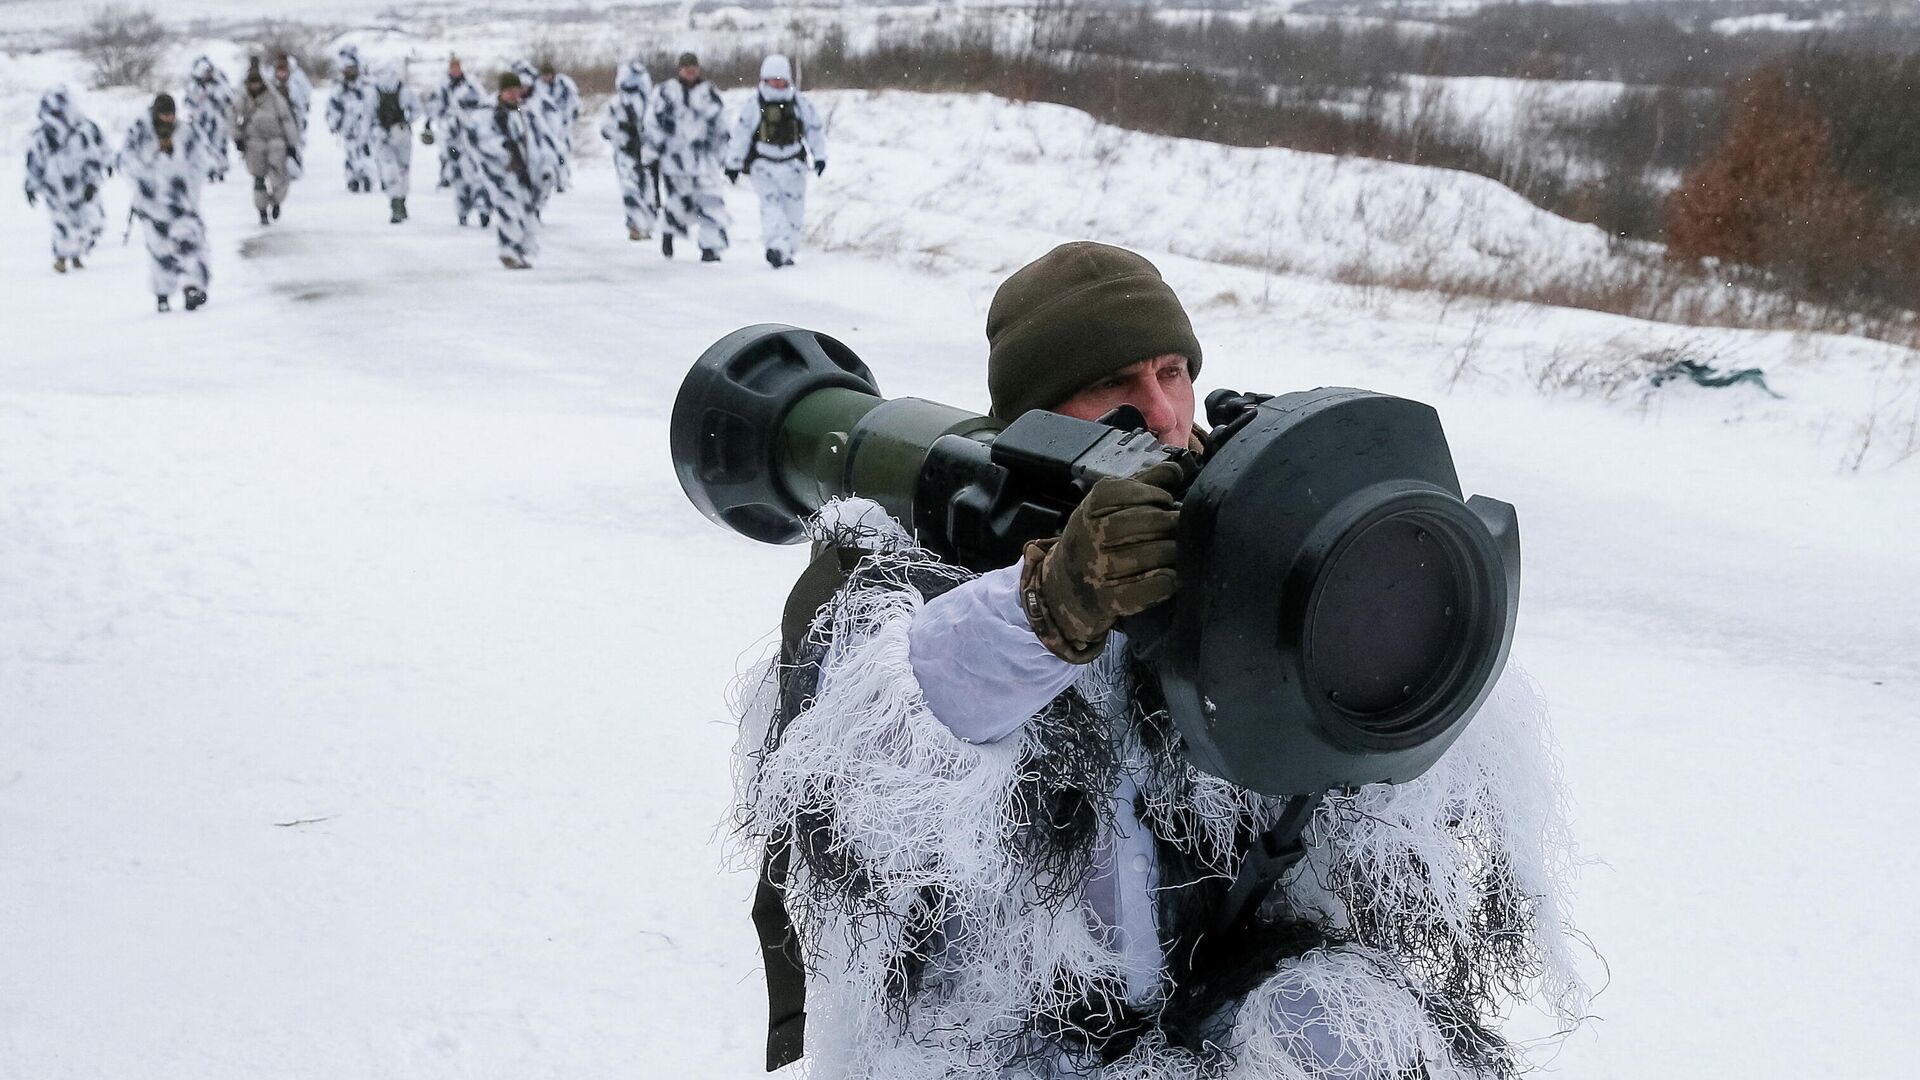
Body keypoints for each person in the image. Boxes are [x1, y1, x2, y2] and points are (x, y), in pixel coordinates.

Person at [731, 242, 1588, 1078]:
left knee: (1345, 1031)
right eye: (1112, 384)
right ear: (1031, 419)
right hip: (991, 1034)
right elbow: (892, 752)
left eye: (1171, 372)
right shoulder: (912, 576)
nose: (1163, 413)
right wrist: (1051, 606)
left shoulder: (1236, 535)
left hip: (1201, 1008)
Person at [724, 54, 826, 269]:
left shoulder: (799, 103)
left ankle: (787, 250)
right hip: (764, 165)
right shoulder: (754, 104)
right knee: (771, 207)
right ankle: (776, 247)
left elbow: (814, 129)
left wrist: (820, 156)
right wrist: (733, 163)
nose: (777, 83)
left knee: (794, 213)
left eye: (781, 78)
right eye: (773, 79)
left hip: (793, 166)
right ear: (764, 79)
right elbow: (741, 134)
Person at [117, 94, 211, 313]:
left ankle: (192, 288)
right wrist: (147, 176)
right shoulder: (140, 133)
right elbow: (126, 162)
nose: (169, 119)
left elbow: (199, 162)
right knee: (160, 251)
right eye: (164, 114)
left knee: (189, 244)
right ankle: (162, 294)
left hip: (182, 203)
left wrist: (189, 188)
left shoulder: (186, 133)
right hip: (152, 204)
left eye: (172, 114)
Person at [642, 51, 730, 262]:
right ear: (679, 69)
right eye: (686, 67)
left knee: (711, 201)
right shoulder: (665, 93)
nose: (690, 70)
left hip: (704, 159)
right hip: (675, 159)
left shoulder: (709, 94)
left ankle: (710, 247)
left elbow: (721, 126)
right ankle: (669, 231)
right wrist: (651, 153)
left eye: (693, 67)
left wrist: (726, 156)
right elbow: (652, 124)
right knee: (679, 203)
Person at [464, 72, 549, 270]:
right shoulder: (489, 112)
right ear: (501, 92)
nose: (513, 95)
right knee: (509, 210)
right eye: (509, 91)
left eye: (516, 90)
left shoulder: (523, 112)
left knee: (524, 210)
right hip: (499, 172)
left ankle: (519, 250)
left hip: (523, 171)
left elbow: (535, 140)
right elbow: (480, 140)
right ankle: (508, 252)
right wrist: (503, 153)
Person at [22, 86, 110, 274]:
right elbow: (35, 162)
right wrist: (30, 185)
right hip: (54, 187)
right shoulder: (43, 137)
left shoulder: (81, 132)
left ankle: (77, 254)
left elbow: (93, 157)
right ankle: (61, 258)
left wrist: (93, 182)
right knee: (60, 222)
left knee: (83, 221)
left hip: (80, 185)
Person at [231, 59, 300, 225]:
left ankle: (276, 202)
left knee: (280, 177)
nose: (254, 86)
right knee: (259, 179)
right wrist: (237, 138)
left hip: (276, 141)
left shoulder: (274, 96)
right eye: (251, 83)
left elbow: (286, 119)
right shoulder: (244, 99)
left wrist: (292, 143)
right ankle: (262, 210)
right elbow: (232, 117)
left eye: (256, 83)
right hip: (254, 142)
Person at [423, 55, 489, 228]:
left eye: (457, 67)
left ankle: (483, 208)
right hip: (451, 133)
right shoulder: (443, 85)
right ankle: (462, 210)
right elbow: (435, 105)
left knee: (477, 171)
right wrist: (430, 121)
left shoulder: (471, 84)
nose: (455, 70)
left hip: (473, 133)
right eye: (452, 67)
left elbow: (484, 102)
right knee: (456, 170)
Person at [596, 58, 656, 241]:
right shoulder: (617, 104)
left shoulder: (649, 103)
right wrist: (622, 134)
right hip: (625, 152)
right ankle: (636, 225)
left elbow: (656, 126)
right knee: (631, 188)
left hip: (644, 152)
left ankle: (646, 225)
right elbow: (606, 129)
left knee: (647, 189)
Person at [370, 65, 422, 224]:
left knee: (402, 170)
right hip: (386, 135)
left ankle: (401, 202)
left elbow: (417, 110)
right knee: (391, 170)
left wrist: (405, 123)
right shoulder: (375, 93)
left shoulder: (403, 91)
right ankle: (396, 205)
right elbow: (369, 115)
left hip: (399, 135)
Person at [510, 60, 569, 199]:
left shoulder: (542, 101)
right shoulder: (511, 102)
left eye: (526, 86)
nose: (523, 89)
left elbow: (553, 123)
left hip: (541, 143)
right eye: (521, 86)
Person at [326, 46, 378, 193]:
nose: (350, 72)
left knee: (367, 154)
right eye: (347, 69)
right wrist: (334, 123)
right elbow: (332, 109)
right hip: (348, 129)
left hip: (367, 129)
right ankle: (352, 179)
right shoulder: (339, 89)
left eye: (352, 68)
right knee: (351, 154)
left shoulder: (368, 87)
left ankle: (368, 178)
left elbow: (375, 107)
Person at [183, 55, 235, 183]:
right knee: (204, 146)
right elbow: (189, 101)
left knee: (220, 144)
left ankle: (220, 169)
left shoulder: (219, 82)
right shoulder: (194, 85)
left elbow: (229, 98)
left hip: (218, 120)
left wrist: (215, 96)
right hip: (201, 122)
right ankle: (208, 170)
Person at [271, 54, 313, 180]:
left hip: (292, 122)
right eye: (279, 71)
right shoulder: (272, 86)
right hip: (276, 122)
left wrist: (302, 118)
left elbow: (302, 102)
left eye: (284, 71)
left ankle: (294, 168)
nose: (281, 74)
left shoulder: (295, 85)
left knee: (293, 145)